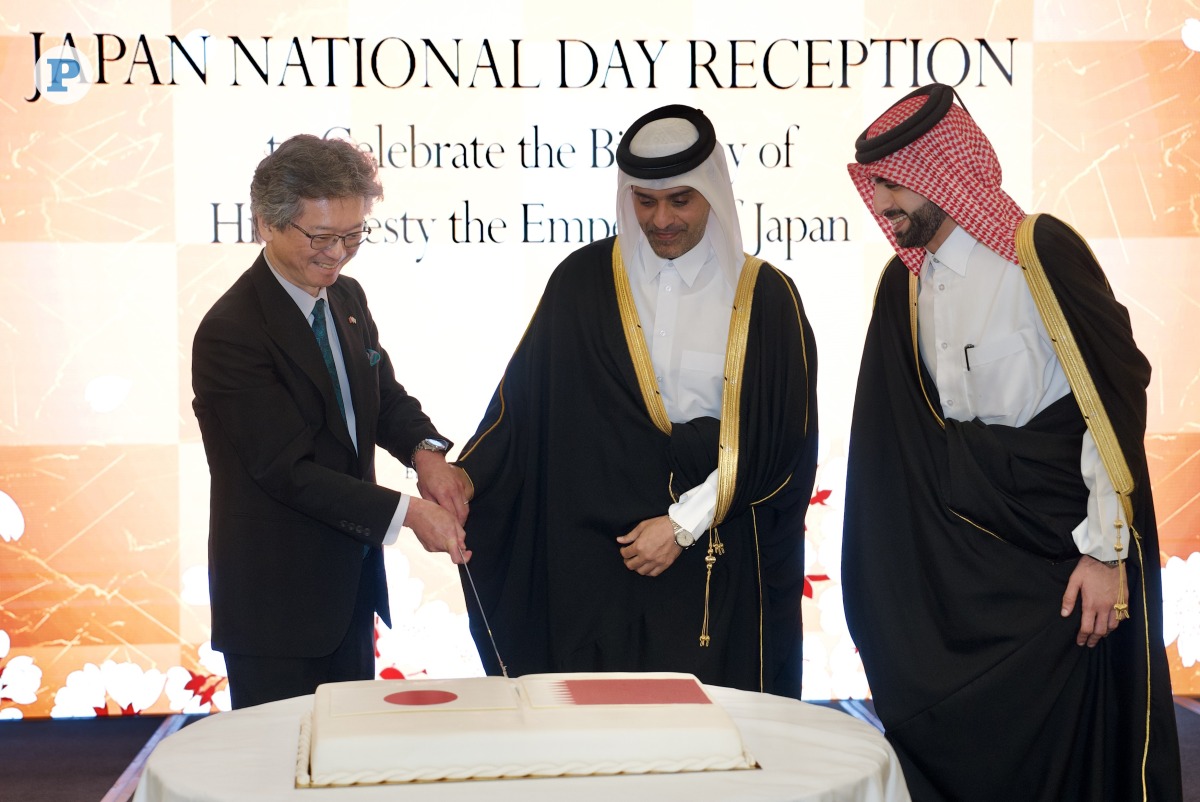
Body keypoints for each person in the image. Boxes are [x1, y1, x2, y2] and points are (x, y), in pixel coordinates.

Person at [841, 84, 1182, 801]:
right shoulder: (907, 286)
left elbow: (1105, 405)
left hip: (1058, 565)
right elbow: (905, 442)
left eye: (895, 184)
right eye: (878, 187)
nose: (885, 204)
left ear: (943, 172)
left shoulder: (1037, 255)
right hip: (964, 569)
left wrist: (1104, 552)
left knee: (1057, 755)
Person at [453, 104, 818, 699]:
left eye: (680, 200)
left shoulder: (763, 296)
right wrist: (464, 482)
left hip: (711, 558)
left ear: (712, 195)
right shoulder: (583, 279)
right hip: (597, 560)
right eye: (645, 202)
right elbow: (521, 413)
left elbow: (780, 441)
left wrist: (681, 525)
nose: (661, 218)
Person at [192, 134, 470, 709]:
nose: (338, 253)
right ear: (267, 223)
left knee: (345, 757)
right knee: (281, 774)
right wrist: (409, 513)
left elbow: (381, 396)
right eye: (321, 238)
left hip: (348, 587)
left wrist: (427, 452)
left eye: (353, 236)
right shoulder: (233, 331)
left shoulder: (345, 297)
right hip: (277, 603)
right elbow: (286, 470)